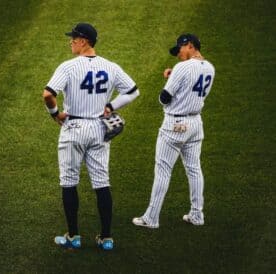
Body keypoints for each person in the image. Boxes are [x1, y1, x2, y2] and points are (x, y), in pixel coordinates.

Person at [43, 22, 139, 250]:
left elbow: (48, 94)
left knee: (68, 182)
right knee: (101, 183)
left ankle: (73, 237)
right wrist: (111, 105)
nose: (71, 42)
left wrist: (55, 114)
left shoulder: (68, 67)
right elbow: (133, 91)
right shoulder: (111, 66)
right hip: (99, 129)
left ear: (84, 40)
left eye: (74, 38)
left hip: (73, 128)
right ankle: (106, 238)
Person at [133, 33, 215, 228]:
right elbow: (191, 87)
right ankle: (197, 215)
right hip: (196, 124)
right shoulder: (210, 68)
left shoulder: (182, 68)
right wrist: (175, 77)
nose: (178, 54)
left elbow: (164, 98)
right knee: (194, 169)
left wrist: (171, 78)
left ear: (190, 45)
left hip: (175, 125)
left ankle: (151, 218)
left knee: (162, 170)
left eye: (180, 49)